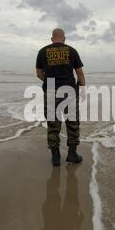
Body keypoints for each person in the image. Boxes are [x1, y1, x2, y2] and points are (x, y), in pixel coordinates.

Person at [35, 28, 86, 166]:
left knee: (53, 124)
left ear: (52, 39)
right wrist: (82, 88)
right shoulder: (71, 51)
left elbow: (39, 73)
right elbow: (80, 73)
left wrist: (50, 82)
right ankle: (72, 154)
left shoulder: (42, 51)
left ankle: (56, 157)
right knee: (72, 123)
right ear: (64, 38)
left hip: (51, 89)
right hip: (69, 88)